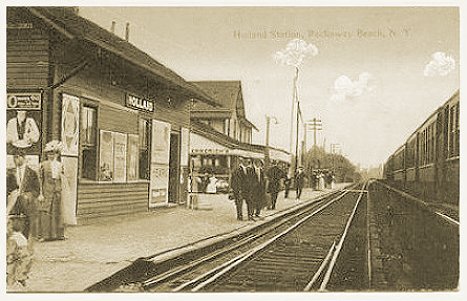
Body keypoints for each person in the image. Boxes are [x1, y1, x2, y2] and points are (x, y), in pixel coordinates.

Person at [38, 141, 68, 241]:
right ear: (47, 154)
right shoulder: (43, 165)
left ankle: (58, 234)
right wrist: (41, 193)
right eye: (49, 153)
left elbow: (62, 179)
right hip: (46, 190)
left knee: (57, 212)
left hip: (57, 191)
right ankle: (44, 235)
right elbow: (40, 180)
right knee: (45, 212)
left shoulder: (60, 165)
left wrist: (61, 189)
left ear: (57, 154)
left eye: (53, 153)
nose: (51, 155)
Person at [8, 149, 41, 239]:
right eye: (14, 158)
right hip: (13, 203)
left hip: (26, 203)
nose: (15, 160)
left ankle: (24, 242)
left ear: (23, 158)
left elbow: (36, 190)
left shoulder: (32, 173)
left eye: (17, 157)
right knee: (13, 224)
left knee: (26, 223)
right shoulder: (10, 172)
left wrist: (28, 195)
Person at [7, 215, 33, 290]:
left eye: (9, 225)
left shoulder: (15, 238)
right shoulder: (18, 237)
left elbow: (13, 251)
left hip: (17, 258)